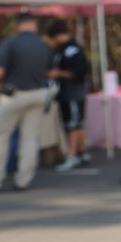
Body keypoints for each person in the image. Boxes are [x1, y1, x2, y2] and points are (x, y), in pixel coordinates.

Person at [0, 13, 53, 193]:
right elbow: (50, 72)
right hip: (40, 93)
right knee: (30, 138)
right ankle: (24, 179)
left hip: (15, 94)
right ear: (35, 24)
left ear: (17, 25)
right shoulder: (43, 44)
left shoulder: (10, 43)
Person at [48, 20, 90, 172]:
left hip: (73, 92)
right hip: (66, 92)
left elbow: (78, 72)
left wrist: (57, 73)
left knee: (73, 124)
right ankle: (81, 152)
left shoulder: (72, 49)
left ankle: (72, 155)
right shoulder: (61, 49)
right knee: (77, 123)